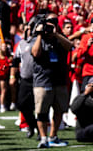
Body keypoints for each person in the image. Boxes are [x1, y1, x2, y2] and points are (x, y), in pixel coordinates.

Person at [31, 13, 73, 148]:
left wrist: (56, 34)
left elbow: (70, 46)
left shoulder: (59, 38)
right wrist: (39, 34)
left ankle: (53, 136)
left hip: (59, 79)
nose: (51, 24)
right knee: (42, 111)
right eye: (49, 21)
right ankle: (43, 138)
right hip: (43, 80)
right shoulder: (38, 38)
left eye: (54, 21)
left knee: (59, 109)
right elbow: (35, 53)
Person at [10, 20, 38, 138]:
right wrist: (12, 76)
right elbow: (15, 61)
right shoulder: (21, 44)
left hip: (38, 78)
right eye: (26, 28)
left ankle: (42, 133)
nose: (28, 30)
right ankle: (32, 125)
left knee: (39, 106)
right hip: (25, 78)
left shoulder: (38, 42)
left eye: (30, 28)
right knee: (21, 104)